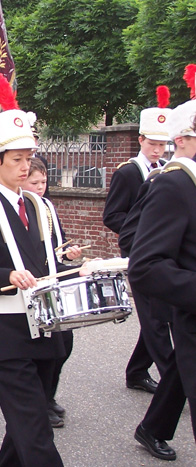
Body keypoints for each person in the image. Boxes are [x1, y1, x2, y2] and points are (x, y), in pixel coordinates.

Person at [0, 90, 82, 465]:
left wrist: (72, 264)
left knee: (23, 426)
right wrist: (7, 275)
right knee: (35, 429)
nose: (25, 167)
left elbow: (46, 265)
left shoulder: (38, 206)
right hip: (4, 333)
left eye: (28, 159)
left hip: (45, 329)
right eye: (16, 160)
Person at [128, 98, 196, 462]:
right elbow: (139, 246)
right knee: (171, 357)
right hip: (179, 302)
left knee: (177, 368)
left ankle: (153, 427)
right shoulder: (170, 182)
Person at [103, 93, 174, 393]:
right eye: (152, 143)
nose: (157, 149)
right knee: (156, 317)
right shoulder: (129, 172)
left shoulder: (170, 171)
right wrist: (141, 233)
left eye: (162, 144)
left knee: (158, 314)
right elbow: (112, 215)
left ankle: (136, 371)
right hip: (139, 253)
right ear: (141, 139)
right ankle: (176, 377)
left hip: (166, 253)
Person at [22, 157, 82, 429]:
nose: (40, 187)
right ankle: (39, 401)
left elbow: (58, 243)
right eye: (34, 183)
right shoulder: (21, 210)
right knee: (44, 348)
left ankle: (49, 395)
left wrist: (70, 255)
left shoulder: (47, 206)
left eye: (43, 182)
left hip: (54, 280)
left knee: (63, 345)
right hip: (32, 284)